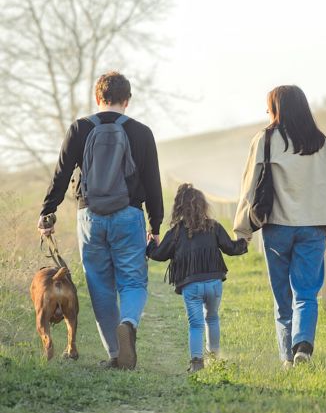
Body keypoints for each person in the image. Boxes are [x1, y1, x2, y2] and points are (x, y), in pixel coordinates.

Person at [37, 71, 163, 369]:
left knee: (100, 286)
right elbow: (153, 181)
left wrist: (47, 213)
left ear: (98, 98)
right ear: (127, 101)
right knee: (133, 281)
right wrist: (155, 226)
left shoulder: (80, 128)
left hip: (89, 216)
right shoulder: (141, 132)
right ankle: (129, 323)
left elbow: (61, 174)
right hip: (129, 214)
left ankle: (116, 355)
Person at [234, 85, 326, 368]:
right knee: (306, 292)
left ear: (277, 108)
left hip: (278, 226)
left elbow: (249, 185)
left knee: (282, 295)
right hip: (313, 228)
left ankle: (288, 358)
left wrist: (242, 230)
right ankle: (303, 346)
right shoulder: (319, 141)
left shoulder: (266, 138)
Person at [147, 183, 247, 373]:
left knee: (195, 324)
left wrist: (150, 244)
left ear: (178, 208)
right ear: (203, 205)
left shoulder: (175, 232)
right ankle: (215, 357)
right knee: (212, 318)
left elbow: (159, 254)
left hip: (191, 286)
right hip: (214, 283)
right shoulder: (214, 227)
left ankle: (196, 362)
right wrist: (244, 242)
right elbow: (231, 248)